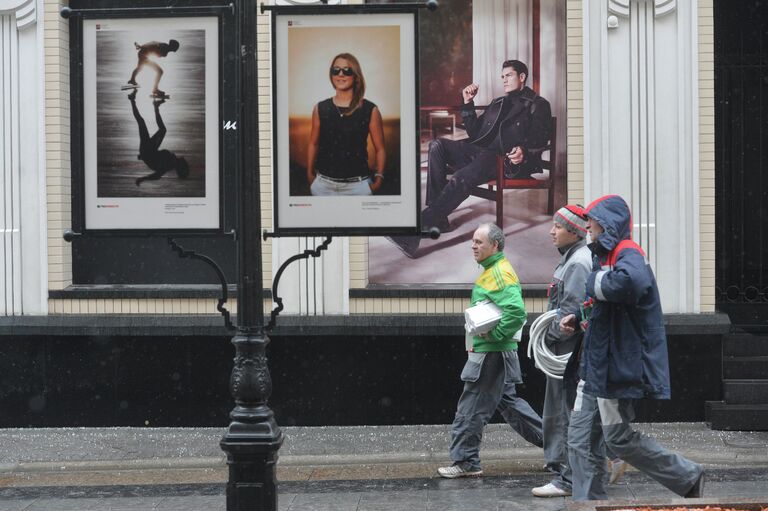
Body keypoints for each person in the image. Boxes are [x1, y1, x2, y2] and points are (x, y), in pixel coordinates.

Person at [561, 194, 705, 501]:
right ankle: (588, 503)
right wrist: (581, 317)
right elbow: (613, 303)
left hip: (610, 370)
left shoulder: (626, 252)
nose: (589, 226)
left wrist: (595, 282)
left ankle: (686, 475)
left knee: (614, 439)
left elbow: (630, 285)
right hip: (600, 368)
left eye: (592, 220)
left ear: (607, 224)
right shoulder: (613, 254)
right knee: (582, 440)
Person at [388, 59, 551, 258]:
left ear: (522, 77)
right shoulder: (498, 103)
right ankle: (438, 218)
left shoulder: (538, 105)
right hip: (480, 151)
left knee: (460, 178)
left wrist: (523, 151)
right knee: (436, 146)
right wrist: (468, 103)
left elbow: (540, 138)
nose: (504, 80)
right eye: (502, 77)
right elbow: (475, 134)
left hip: (502, 159)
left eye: (508, 75)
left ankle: (414, 232)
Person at [437, 223, 543, 479]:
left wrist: (494, 336)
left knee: (471, 407)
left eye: (479, 242)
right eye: (472, 241)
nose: (473, 246)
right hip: (496, 352)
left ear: (494, 245)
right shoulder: (494, 270)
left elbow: (517, 312)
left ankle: (466, 461)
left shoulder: (499, 273)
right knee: (512, 407)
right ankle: (560, 450)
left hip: (491, 354)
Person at [306, 53, 385, 196]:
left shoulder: (370, 110)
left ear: (355, 76)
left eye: (347, 70)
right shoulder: (320, 108)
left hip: (359, 187)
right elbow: (313, 143)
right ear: (331, 75)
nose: (340, 74)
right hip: (322, 187)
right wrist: (310, 176)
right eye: (336, 70)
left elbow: (380, 149)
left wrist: (378, 180)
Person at [128, 91, 189, 186]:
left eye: (185, 163)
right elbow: (155, 163)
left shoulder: (169, 164)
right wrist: (142, 157)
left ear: (181, 166)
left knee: (144, 123)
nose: (185, 160)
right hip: (149, 150)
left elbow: (157, 175)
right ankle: (151, 105)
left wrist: (143, 179)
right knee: (150, 125)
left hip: (147, 151)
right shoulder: (172, 161)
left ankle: (138, 101)